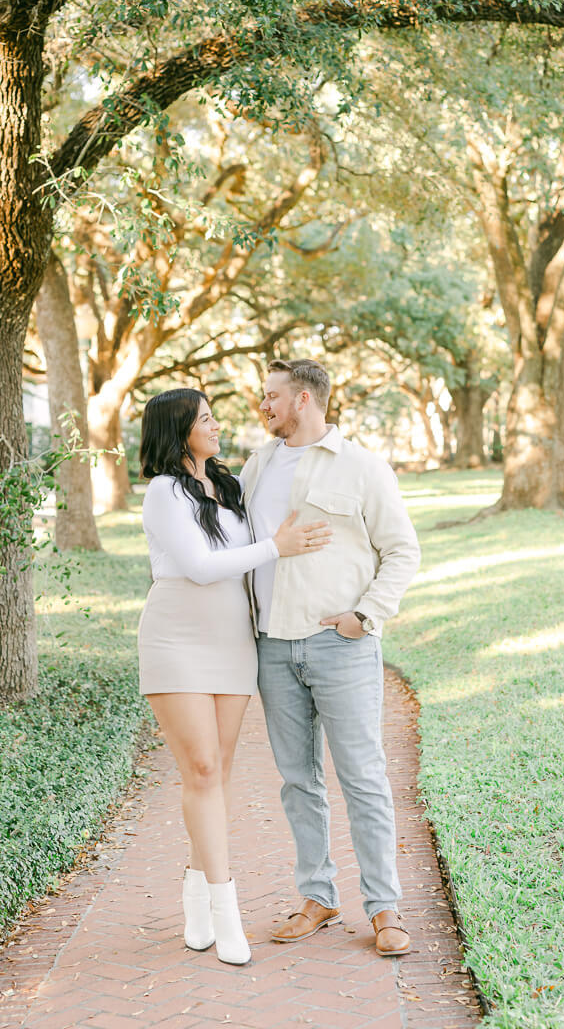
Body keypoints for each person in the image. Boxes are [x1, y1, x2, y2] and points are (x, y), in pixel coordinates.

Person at [137, 388, 331, 966]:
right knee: (199, 769)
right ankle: (227, 911)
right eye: (204, 419)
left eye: (214, 415)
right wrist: (275, 548)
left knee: (217, 772)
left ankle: (196, 891)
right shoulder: (163, 490)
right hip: (177, 635)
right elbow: (198, 567)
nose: (217, 425)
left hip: (232, 638)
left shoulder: (229, 485)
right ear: (178, 430)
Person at [240, 359, 421, 957]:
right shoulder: (256, 467)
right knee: (298, 781)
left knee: (363, 778)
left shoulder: (363, 467)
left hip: (340, 646)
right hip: (273, 645)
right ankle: (318, 898)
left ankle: (386, 909)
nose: (262, 406)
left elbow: (402, 551)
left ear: (303, 399)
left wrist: (363, 617)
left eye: (271, 397)